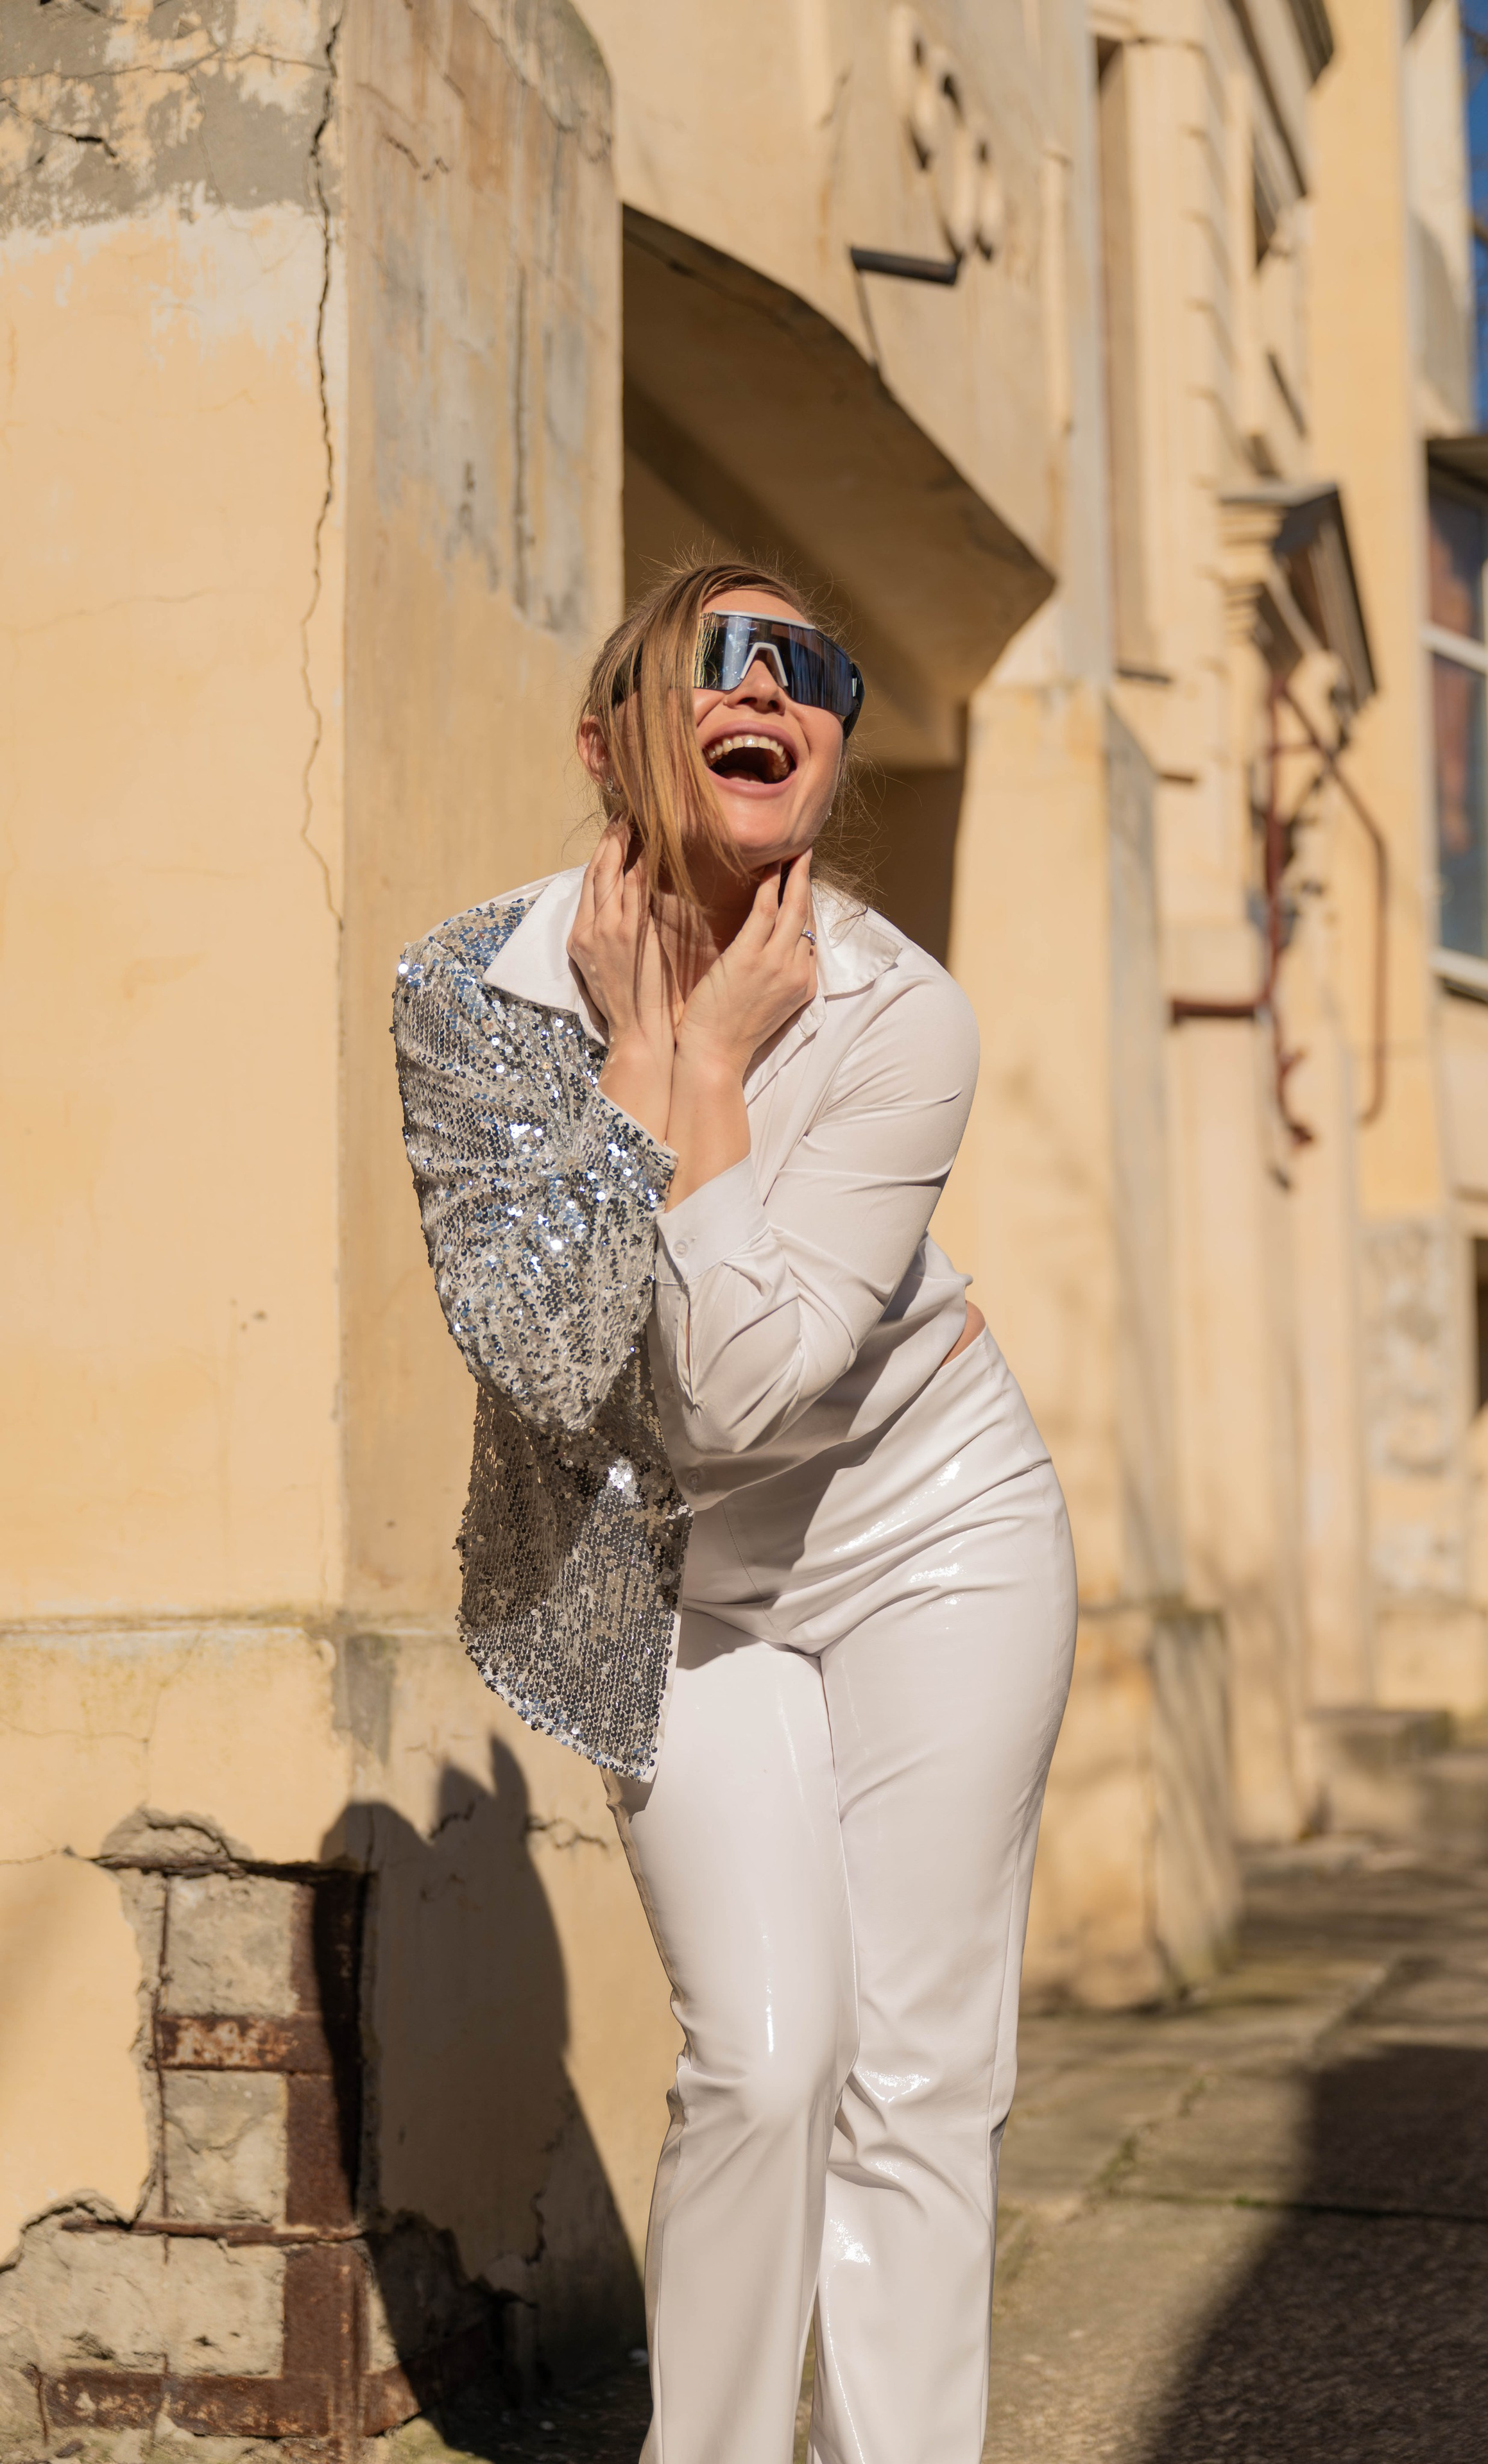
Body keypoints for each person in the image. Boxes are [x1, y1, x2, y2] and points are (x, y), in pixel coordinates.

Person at [394, 559, 1077, 2464]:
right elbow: (547, 1353)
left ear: (833, 744)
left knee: (919, 2073)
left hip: (932, 1532)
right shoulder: (472, 987)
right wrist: (646, 1061)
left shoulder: (894, 1015)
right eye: (720, 657)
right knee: (770, 2061)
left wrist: (693, 1063)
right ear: (615, 739)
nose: (771, 683)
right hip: (669, 1579)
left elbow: (748, 1392)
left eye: (814, 665)